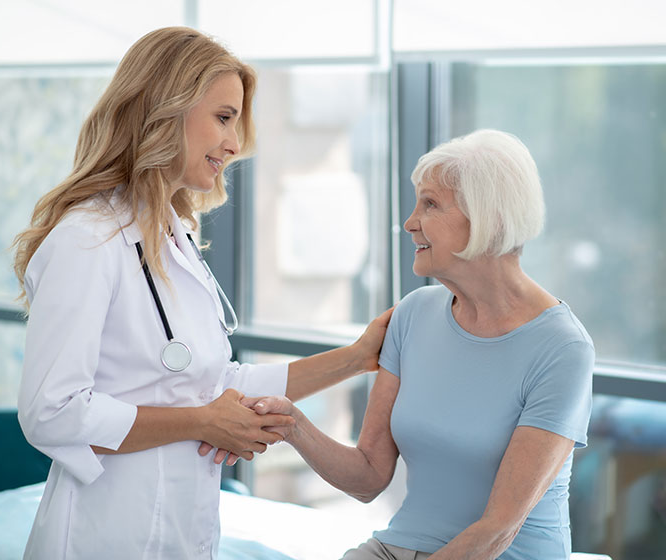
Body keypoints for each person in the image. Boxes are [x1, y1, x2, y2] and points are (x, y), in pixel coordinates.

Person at [12, 26, 391, 560]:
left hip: (184, 530)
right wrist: (202, 421)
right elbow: (50, 412)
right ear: (165, 108)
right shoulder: (87, 238)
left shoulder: (173, 235)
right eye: (223, 117)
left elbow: (212, 381)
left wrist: (356, 359)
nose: (235, 145)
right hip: (104, 533)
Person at [242, 129, 595, 559]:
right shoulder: (414, 314)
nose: (410, 222)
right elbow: (368, 477)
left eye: (430, 204)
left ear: (488, 216)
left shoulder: (561, 348)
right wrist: (293, 425)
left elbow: (496, 530)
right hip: (398, 547)